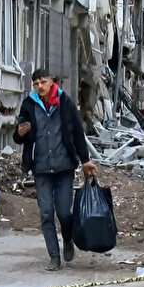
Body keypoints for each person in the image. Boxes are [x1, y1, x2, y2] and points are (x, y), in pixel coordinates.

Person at [13, 69, 96, 271]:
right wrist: (20, 133)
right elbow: (18, 137)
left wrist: (85, 160)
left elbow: (77, 132)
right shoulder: (29, 105)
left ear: (52, 81)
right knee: (46, 213)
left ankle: (67, 239)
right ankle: (54, 256)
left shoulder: (65, 103)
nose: (40, 86)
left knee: (64, 211)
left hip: (64, 166)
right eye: (36, 84)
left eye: (43, 82)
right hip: (41, 167)